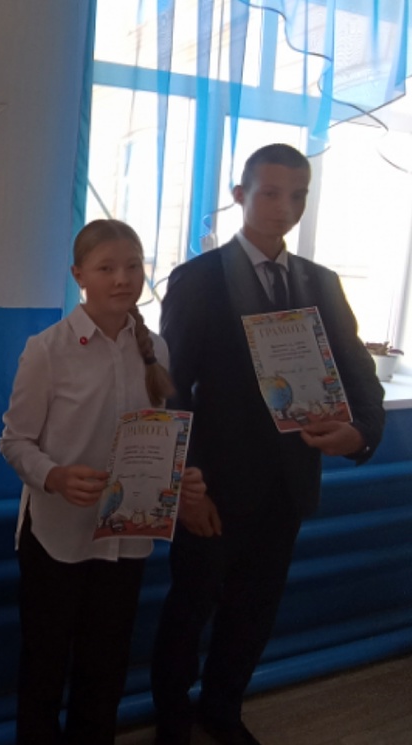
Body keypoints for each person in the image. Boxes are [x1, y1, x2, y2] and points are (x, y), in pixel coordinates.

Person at [150, 143, 386, 745]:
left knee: (253, 611)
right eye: (271, 193)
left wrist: (359, 433)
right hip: (214, 489)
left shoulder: (321, 282)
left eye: (297, 195)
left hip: (287, 487)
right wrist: (186, 487)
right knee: (189, 610)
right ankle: (172, 722)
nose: (285, 207)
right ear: (240, 196)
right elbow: (171, 393)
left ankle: (222, 710)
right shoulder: (198, 279)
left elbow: (360, 379)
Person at [0, 218, 206, 745]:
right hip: (57, 538)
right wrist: (54, 476)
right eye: (106, 268)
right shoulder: (48, 350)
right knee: (45, 666)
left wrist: (178, 479)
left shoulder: (156, 349)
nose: (122, 278)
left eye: (133, 266)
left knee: (106, 666)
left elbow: (157, 439)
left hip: (126, 537)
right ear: (78, 276)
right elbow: (15, 442)